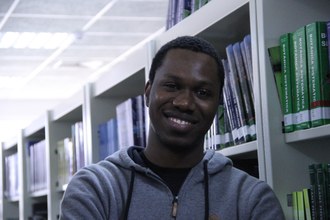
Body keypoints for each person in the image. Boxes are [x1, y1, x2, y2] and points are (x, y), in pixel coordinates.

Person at [60, 36, 285, 220]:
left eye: (203, 93)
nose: (184, 103)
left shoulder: (251, 198)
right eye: (172, 86)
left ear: (218, 105)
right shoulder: (94, 189)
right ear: (148, 93)